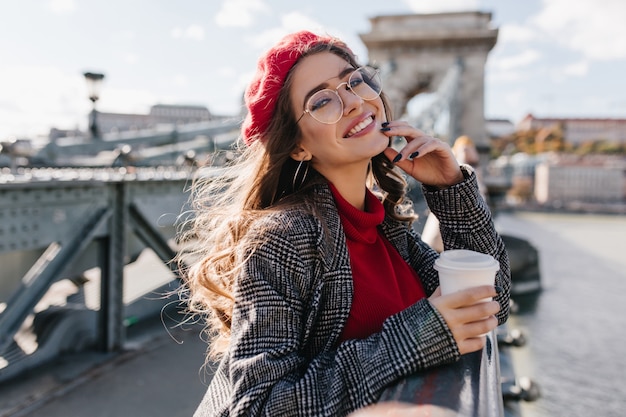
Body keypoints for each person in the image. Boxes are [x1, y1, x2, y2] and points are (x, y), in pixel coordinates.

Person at [180, 30, 511, 417]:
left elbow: (491, 303)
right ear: (299, 146)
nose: (354, 102)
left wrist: (451, 189)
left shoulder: (385, 228)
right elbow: (258, 406)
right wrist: (420, 336)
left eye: (354, 81)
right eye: (322, 101)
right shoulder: (284, 238)